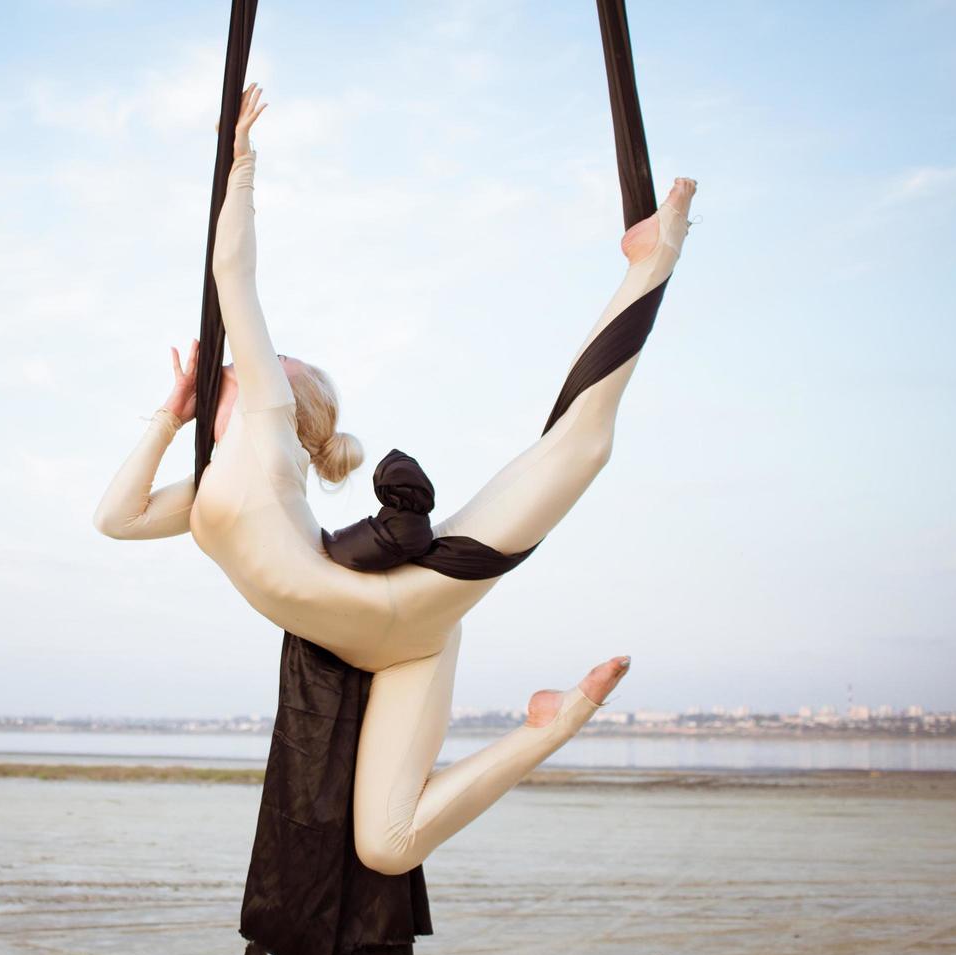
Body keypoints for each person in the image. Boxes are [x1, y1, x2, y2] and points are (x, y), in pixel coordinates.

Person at [93, 82, 695, 876]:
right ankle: (552, 723)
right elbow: (117, 518)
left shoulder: (269, 414)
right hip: (405, 651)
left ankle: (654, 260)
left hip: (415, 595)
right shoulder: (207, 484)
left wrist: (239, 161)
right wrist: (170, 420)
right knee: (386, 847)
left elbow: (231, 273)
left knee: (581, 447)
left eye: (282, 357)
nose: (266, 354)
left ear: (286, 386)